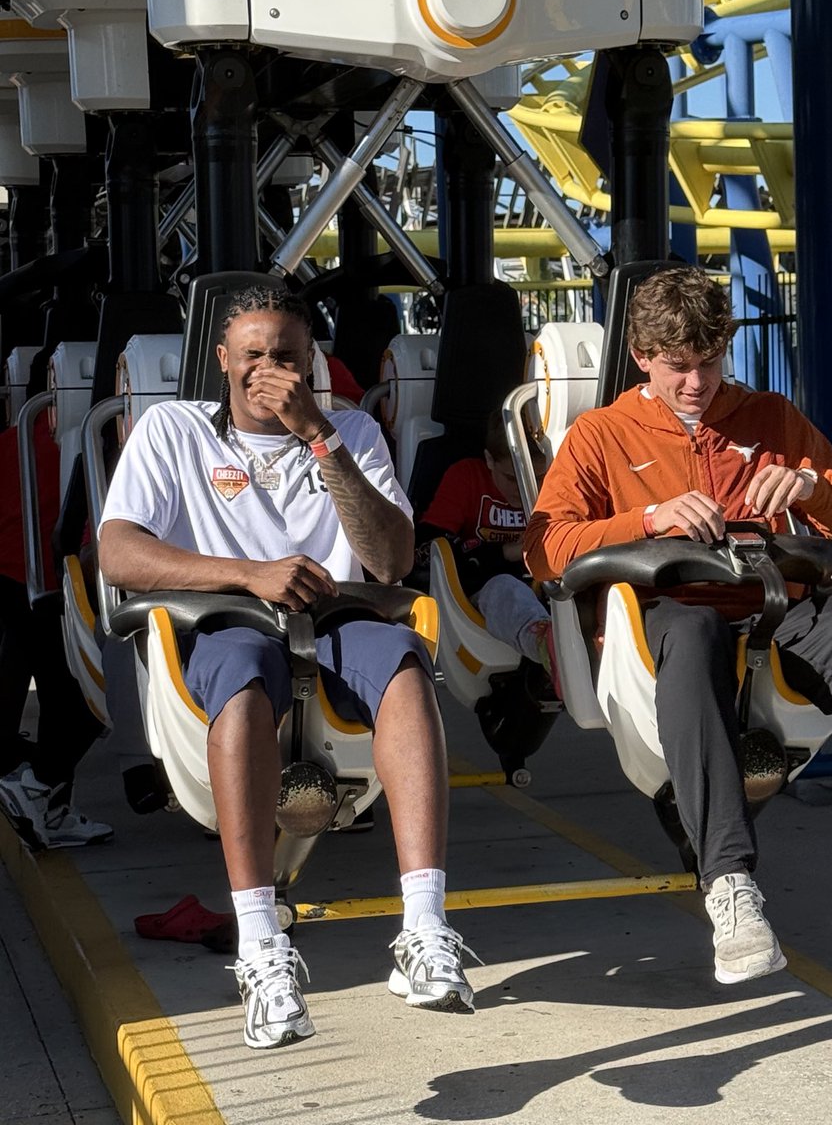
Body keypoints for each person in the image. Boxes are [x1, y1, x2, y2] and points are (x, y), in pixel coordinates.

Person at [524, 266, 832, 985]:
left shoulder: (772, 418)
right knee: (692, 637)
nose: (696, 384)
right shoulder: (601, 435)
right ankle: (728, 882)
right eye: (678, 369)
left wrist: (811, 488)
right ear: (642, 357)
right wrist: (647, 521)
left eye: (709, 364)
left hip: (771, 604)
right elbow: (544, 545)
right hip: (666, 615)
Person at [98, 285, 476, 1051]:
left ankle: (425, 926)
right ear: (223, 362)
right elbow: (119, 551)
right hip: (231, 619)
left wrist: (316, 435)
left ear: (314, 365)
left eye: (288, 358)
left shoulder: (353, 430)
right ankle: (262, 947)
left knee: (405, 658)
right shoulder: (174, 431)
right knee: (240, 683)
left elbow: (391, 559)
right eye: (255, 356)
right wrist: (249, 574)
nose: (269, 370)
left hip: (336, 615)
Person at [0, 401, 112, 848]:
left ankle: (43, 795)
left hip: (21, 574)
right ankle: (39, 789)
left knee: (58, 689)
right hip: (53, 580)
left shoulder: (27, 428)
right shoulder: (105, 429)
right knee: (87, 697)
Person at [415, 410, 557, 687]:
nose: (525, 489)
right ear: (490, 460)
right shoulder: (467, 477)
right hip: (483, 587)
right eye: (512, 479)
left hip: (546, 584)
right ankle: (547, 646)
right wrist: (507, 553)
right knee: (505, 589)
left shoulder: (554, 484)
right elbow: (427, 552)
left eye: (538, 478)